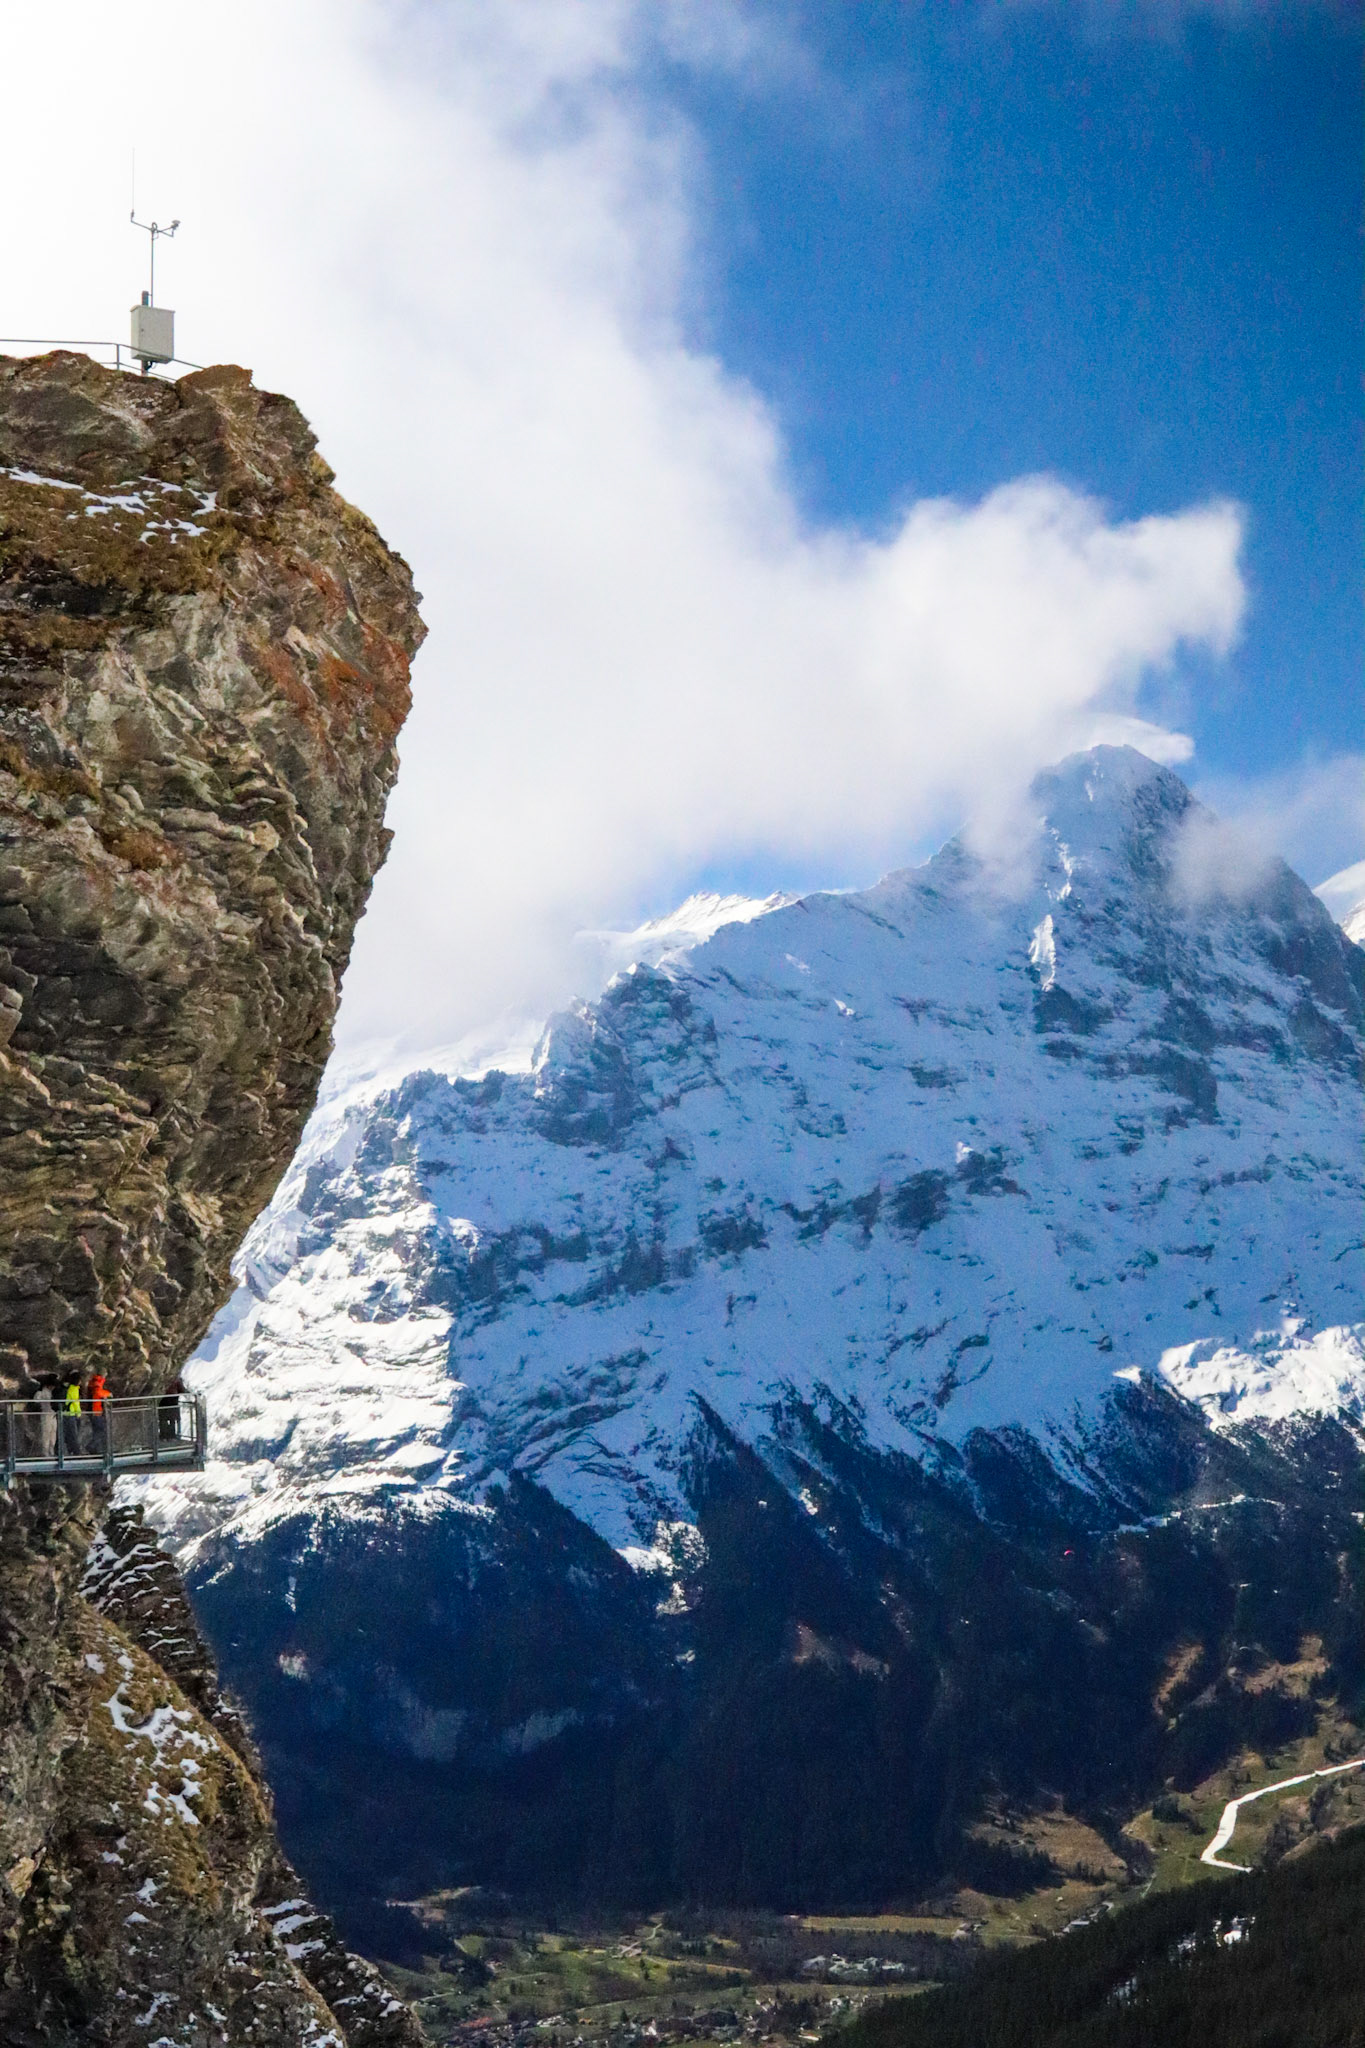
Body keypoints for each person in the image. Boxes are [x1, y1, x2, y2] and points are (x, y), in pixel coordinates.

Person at [157, 1376, 184, 1444]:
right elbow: (182, 1390)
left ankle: (164, 1436)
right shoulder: (176, 1379)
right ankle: (171, 1436)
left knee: (163, 1420)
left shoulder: (162, 1379)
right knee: (172, 1420)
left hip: (163, 1401)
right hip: (173, 1401)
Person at [34, 1379, 57, 1459]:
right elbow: (36, 1402)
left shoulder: (52, 1392)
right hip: (45, 1414)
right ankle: (45, 1451)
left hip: (53, 1414)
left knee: (53, 1432)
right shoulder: (40, 1392)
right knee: (46, 1432)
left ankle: (51, 1450)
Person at [62, 1373, 84, 1455]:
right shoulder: (74, 1389)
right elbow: (75, 1403)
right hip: (71, 1413)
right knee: (73, 1433)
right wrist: (78, 1413)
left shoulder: (69, 1388)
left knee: (68, 1433)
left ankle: (70, 1449)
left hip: (65, 1413)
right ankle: (76, 1451)